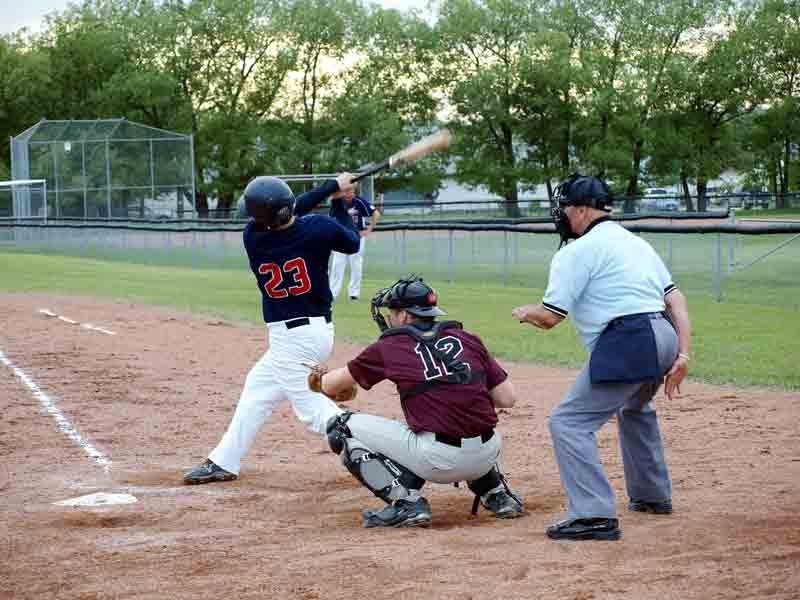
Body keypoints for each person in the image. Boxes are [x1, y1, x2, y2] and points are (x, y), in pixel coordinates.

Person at [511, 174, 691, 541]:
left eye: (564, 207)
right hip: (665, 334)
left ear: (579, 209)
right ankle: (652, 497)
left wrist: (527, 312)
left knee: (569, 423)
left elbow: (550, 318)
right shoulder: (636, 243)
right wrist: (683, 353)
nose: (561, 214)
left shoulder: (575, 251)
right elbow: (676, 300)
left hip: (631, 339)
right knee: (635, 409)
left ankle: (593, 514)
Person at [184, 173, 360, 484]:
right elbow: (351, 240)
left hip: (292, 339)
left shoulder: (253, 236)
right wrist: (339, 203)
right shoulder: (319, 229)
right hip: (312, 333)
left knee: (310, 410)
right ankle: (224, 460)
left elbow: (293, 209)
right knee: (257, 390)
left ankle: (374, 445)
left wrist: (331, 188)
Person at [311, 275, 524, 528]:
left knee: (340, 427)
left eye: (392, 311)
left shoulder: (391, 346)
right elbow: (507, 399)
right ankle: (495, 492)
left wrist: (318, 379)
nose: (389, 317)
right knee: (461, 416)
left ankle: (407, 503)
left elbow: (332, 385)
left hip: (438, 461)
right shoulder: (467, 338)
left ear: (404, 316)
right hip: (488, 454)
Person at [328, 188, 381, 300]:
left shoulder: (359, 201)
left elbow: (376, 213)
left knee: (356, 265)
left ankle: (354, 293)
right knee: (337, 265)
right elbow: (331, 219)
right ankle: (333, 293)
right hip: (340, 237)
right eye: (346, 191)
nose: (349, 194)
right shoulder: (338, 202)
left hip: (357, 237)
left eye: (351, 192)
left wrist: (369, 229)